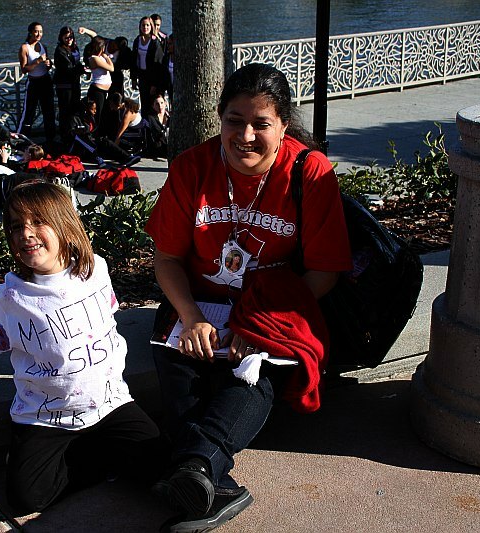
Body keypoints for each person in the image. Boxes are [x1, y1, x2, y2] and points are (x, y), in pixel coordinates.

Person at [144, 63, 352, 531]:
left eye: (261, 123)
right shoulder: (192, 167)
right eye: (234, 121)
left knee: (253, 371)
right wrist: (191, 316)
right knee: (178, 365)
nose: (246, 136)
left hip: (275, 307)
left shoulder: (308, 171)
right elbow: (167, 259)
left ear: (283, 125)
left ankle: (195, 467)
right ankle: (207, 477)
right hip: (199, 303)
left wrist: (259, 327)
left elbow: (325, 272)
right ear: (219, 118)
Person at [0, 181, 161, 513]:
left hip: (110, 404)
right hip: (45, 417)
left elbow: (108, 321)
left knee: (159, 458)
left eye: (38, 221)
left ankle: (107, 454)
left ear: (65, 225)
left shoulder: (96, 270)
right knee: (25, 499)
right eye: (16, 226)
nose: (26, 233)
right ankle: (99, 460)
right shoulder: (14, 298)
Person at [17, 22, 56, 144]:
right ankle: (21, 139)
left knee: (49, 112)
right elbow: (24, 69)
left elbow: (47, 65)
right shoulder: (24, 48)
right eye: (36, 31)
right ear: (30, 32)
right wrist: (38, 61)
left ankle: (51, 139)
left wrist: (48, 64)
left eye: (41, 32)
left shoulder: (43, 46)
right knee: (28, 113)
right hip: (33, 82)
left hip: (46, 81)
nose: (39, 34)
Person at [53, 26, 85, 147]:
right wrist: (81, 70)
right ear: (61, 38)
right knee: (65, 110)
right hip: (64, 85)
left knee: (74, 109)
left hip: (74, 83)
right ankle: (65, 135)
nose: (69, 40)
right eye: (66, 38)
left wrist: (81, 68)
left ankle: (73, 132)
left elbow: (76, 63)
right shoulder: (60, 50)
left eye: (71, 37)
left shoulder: (74, 47)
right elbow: (67, 68)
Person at [131, 16, 164, 114]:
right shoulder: (137, 40)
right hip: (142, 75)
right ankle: (145, 121)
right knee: (144, 103)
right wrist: (133, 78)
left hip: (152, 76)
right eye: (143, 25)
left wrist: (154, 84)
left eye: (147, 25)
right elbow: (134, 60)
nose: (145, 27)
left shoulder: (155, 42)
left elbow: (158, 65)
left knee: (152, 103)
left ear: (151, 27)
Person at [83, 36, 114, 131]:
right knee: (98, 115)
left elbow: (94, 35)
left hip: (104, 91)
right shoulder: (94, 58)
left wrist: (85, 30)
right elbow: (111, 68)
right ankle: (95, 133)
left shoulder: (99, 57)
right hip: (98, 90)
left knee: (104, 114)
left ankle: (102, 133)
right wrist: (107, 57)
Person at [145, 93, 170, 158]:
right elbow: (157, 133)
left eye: (162, 103)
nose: (160, 106)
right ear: (153, 106)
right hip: (157, 148)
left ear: (165, 103)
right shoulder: (151, 117)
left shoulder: (169, 117)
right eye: (157, 104)